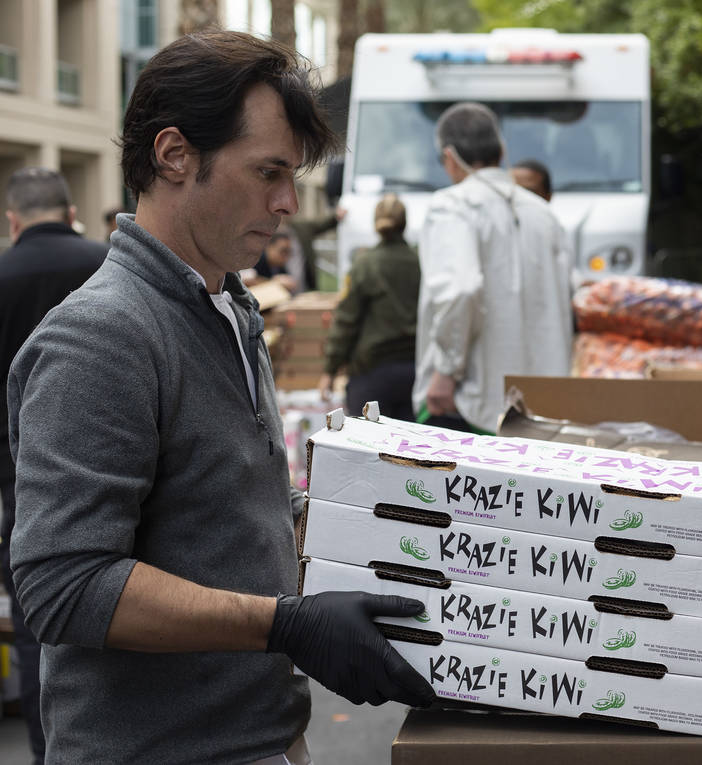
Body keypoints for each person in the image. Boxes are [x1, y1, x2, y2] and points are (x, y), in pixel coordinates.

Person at [6, 31, 435, 765]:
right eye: (268, 171)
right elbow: (62, 581)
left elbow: (230, 513)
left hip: (260, 737)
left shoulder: (228, 309)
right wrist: (284, 624)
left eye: (292, 175)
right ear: (175, 154)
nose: (287, 202)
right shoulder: (103, 334)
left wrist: (378, 530)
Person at [0, 166, 107, 765]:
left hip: (21, 481)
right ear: (70, 212)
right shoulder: (108, 265)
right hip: (122, 473)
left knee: (39, 621)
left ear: (13, 220)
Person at [413, 103, 573, 434]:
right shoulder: (545, 215)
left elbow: (460, 288)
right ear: (501, 152)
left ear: (448, 158)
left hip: (477, 406)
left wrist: (445, 372)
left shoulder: (452, 207)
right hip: (548, 411)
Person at [319, 193, 420, 420]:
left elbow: (346, 321)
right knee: (409, 450)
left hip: (372, 373)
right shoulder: (419, 263)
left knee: (367, 449)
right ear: (404, 224)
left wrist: (330, 370)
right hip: (414, 372)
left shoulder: (364, 265)